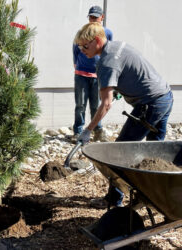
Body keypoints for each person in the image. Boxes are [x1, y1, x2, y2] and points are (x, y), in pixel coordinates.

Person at [75, 22, 173, 207]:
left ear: (96, 41)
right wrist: (121, 88)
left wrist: (88, 130)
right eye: (79, 47)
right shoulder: (118, 45)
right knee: (156, 152)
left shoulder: (105, 63)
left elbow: (106, 104)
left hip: (150, 104)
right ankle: (154, 198)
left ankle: (114, 199)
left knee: (120, 151)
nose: (82, 50)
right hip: (165, 97)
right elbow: (132, 69)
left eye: (85, 46)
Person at [72, 6, 113, 142]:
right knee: (80, 104)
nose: (93, 19)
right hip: (81, 74)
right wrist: (76, 65)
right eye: (91, 17)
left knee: (97, 105)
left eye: (96, 17)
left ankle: (97, 130)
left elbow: (109, 51)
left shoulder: (107, 33)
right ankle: (78, 131)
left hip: (98, 76)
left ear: (102, 17)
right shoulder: (82, 32)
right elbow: (75, 49)